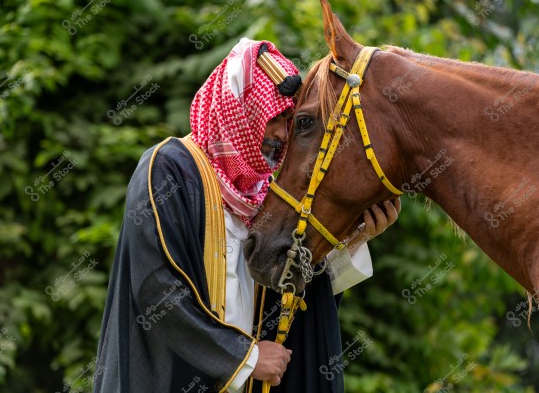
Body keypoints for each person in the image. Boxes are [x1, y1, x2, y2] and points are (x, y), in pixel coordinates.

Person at [93, 38, 400, 393]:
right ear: (239, 109)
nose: (282, 135)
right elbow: (156, 289)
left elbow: (297, 301)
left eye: (290, 120)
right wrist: (245, 358)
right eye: (276, 119)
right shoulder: (169, 169)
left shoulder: (269, 193)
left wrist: (349, 241)